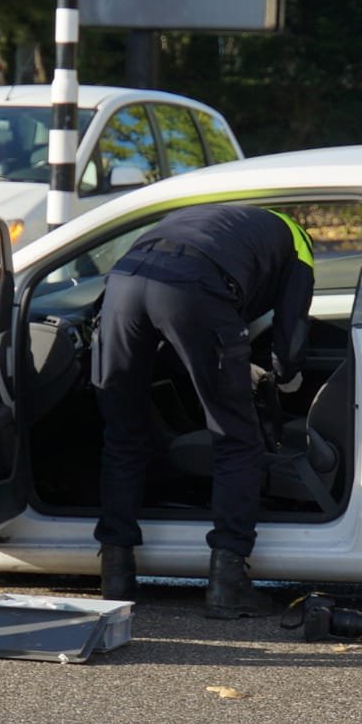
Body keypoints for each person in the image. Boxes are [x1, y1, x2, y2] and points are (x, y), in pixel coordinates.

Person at [91, 204, 315, 618]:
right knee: (235, 437)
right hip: (196, 286)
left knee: (123, 433)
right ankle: (228, 582)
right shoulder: (297, 240)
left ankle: (116, 573)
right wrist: (286, 376)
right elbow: (292, 326)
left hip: (124, 282)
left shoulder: (204, 215)